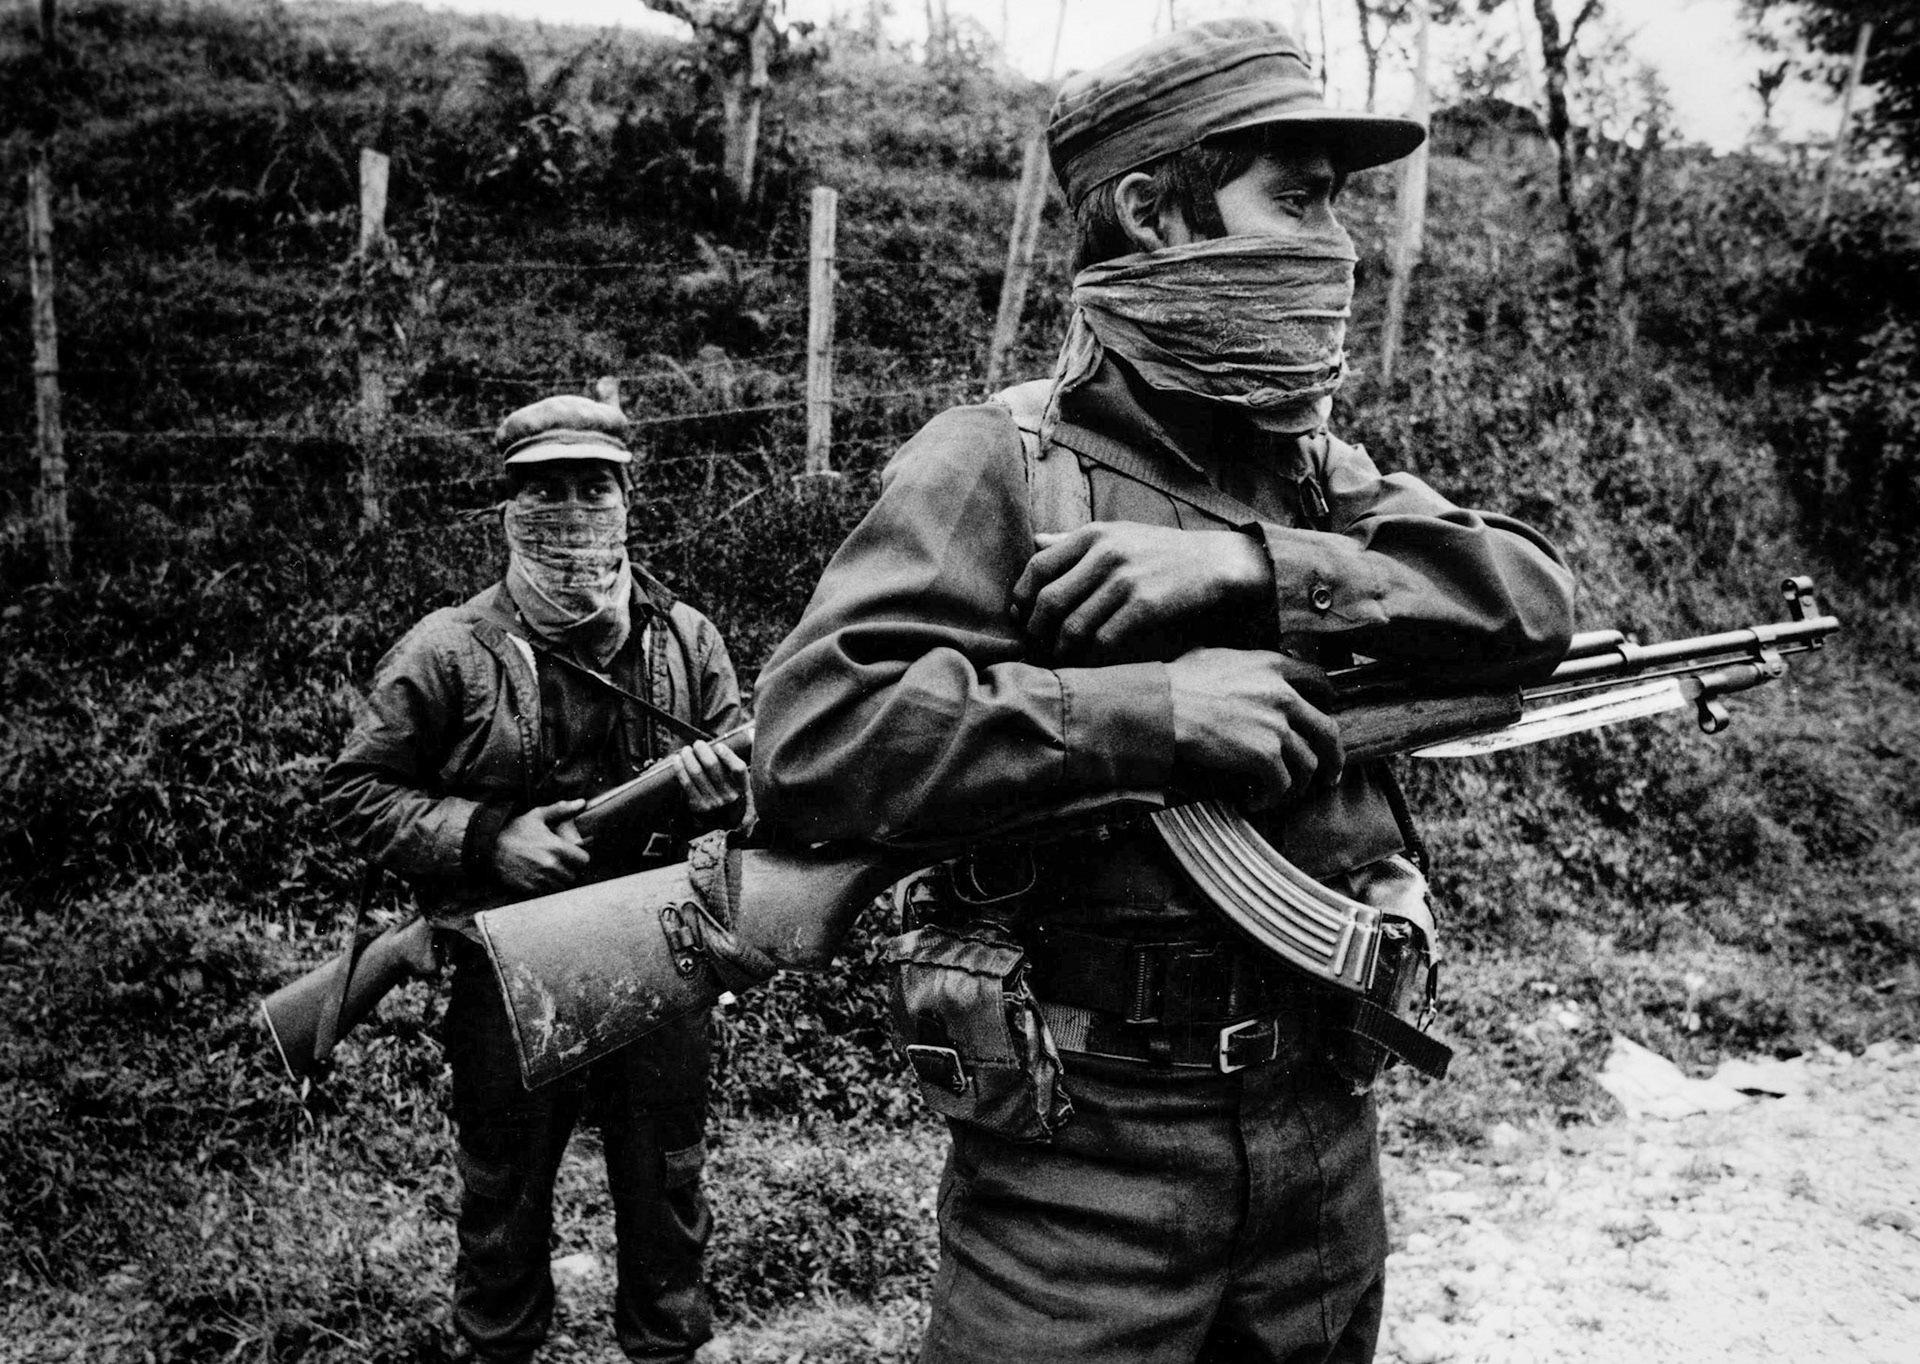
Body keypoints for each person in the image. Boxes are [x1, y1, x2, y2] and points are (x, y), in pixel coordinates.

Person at [750, 19, 1577, 1364]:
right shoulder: (996, 467)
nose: (1337, 250)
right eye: (1295, 202)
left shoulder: (1311, 475)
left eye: (1336, 210)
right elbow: (817, 737)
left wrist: (1247, 569)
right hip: (1083, 1171)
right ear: (1149, 211)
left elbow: (1530, 607)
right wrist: (1156, 716)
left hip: (1321, 1133)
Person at [323, 394, 748, 1364]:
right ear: (508, 508)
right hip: (506, 969)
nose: (570, 510)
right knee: (503, 1196)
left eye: (591, 485)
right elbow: (353, 794)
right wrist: (488, 836)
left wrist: (726, 799)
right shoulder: (449, 647)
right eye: (544, 489)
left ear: (627, 497)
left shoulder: (688, 641)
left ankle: (667, 1346)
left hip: (657, 955)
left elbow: (752, 812)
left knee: (666, 1185)